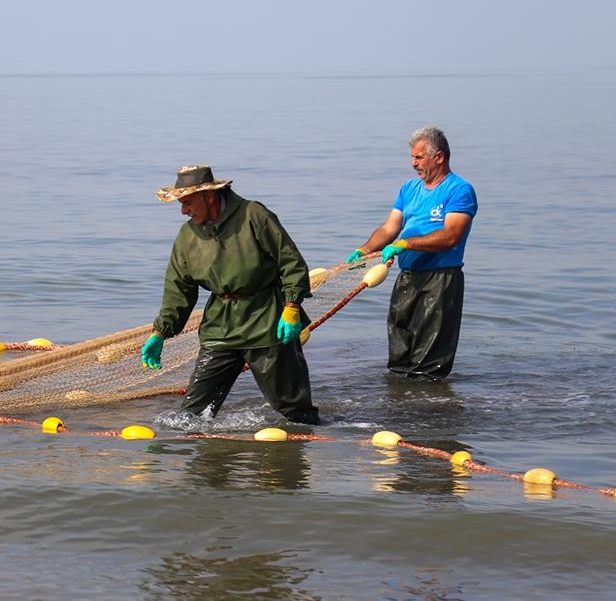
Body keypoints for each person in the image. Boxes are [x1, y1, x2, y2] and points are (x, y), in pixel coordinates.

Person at [141, 165, 320, 425]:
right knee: (191, 415)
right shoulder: (186, 236)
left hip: (266, 322)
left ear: (209, 196)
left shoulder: (253, 215)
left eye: (188, 202)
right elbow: (178, 289)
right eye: (181, 203)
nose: (183, 210)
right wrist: (161, 332)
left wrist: (291, 307)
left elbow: (291, 263)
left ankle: (302, 451)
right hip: (219, 328)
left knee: (294, 412)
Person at [346, 127, 478, 379]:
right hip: (407, 276)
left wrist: (406, 244)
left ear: (438, 157)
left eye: (418, 157)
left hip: (440, 279)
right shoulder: (409, 189)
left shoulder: (459, 189)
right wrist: (365, 249)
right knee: (400, 348)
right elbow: (389, 227)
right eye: (412, 157)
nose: (413, 164)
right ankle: (401, 403)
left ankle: (430, 407)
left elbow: (451, 235)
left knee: (430, 358)